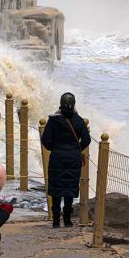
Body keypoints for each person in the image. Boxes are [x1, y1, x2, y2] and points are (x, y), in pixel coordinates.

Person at [41, 92, 91, 228]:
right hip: (73, 158)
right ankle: (68, 220)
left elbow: (45, 140)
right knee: (69, 188)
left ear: (60, 104)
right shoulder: (79, 120)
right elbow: (87, 139)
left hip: (57, 157)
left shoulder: (53, 120)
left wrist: (55, 148)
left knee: (56, 188)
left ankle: (56, 221)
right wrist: (76, 149)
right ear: (74, 104)